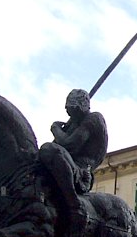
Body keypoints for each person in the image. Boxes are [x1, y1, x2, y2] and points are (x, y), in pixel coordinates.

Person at [39, 89, 108, 228]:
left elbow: (70, 145)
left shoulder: (94, 119)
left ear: (82, 107)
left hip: (80, 171)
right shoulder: (74, 124)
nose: (71, 114)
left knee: (48, 149)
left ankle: (74, 203)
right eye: (69, 111)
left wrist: (56, 129)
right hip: (67, 166)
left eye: (74, 110)